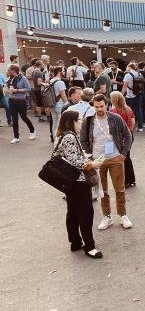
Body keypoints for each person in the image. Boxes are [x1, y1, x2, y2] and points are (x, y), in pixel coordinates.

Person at [51, 110, 103, 258]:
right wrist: (92, 164)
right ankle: (89, 246)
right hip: (77, 181)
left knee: (73, 213)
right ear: (72, 121)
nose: (81, 122)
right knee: (86, 214)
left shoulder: (61, 135)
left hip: (69, 181)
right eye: (79, 120)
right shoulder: (69, 136)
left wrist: (83, 156)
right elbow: (74, 161)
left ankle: (75, 242)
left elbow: (69, 156)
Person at [80, 94, 133, 231]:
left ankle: (123, 215)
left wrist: (123, 154)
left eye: (101, 106)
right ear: (93, 106)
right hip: (98, 160)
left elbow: (128, 135)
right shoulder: (89, 121)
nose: (99, 109)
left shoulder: (115, 118)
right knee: (102, 191)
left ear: (107, 105)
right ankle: (107, 216)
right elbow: (83, 140)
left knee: (120, 189)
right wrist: (90, 157)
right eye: (96, 107)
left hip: (115, 157)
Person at [110, 91, 137, 188]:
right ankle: (131, 179)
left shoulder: (112, 111)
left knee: (121, 158)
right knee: (127, 157)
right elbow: (133, 123)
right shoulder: (128, 109)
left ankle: (125, 181)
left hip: (120, 137)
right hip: (129, 135)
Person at [6, 64, 36, 144]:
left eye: (9, 70)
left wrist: (17, 90)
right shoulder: (10, 79)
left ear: (13, 70)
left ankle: (32, 131)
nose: (8, 71)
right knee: (14, 119)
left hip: (21, 101)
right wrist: (8, 91)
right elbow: (8, 89)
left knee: (24, 117)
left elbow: (28, 89)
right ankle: (16, 137)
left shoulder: (23, 78)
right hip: (12, 101)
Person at [121, 62, 144, 132]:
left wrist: (121, 95)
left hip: (130, 96)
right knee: (139, 110)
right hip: (139, 95)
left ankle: (128, 127)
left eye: (127, 67)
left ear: (130, 67)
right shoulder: (139, 74)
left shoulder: (128, 75)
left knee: (128, 111)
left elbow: (124, 87)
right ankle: (140, 127)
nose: (126, 68)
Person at [49, 66, 68, 137]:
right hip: (60, 104)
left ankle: (54, 137)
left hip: (52, 104)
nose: (64, 72)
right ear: (59, 72)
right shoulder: (60, 82)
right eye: (63, 71)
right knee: (61, 123)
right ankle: (60, 138)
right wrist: (66, 104)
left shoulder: (51, 80)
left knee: (55, 121)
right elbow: (63, 95)